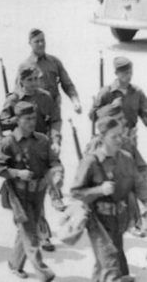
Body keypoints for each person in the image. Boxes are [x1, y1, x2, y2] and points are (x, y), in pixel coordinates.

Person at [0, 101, 62, 281]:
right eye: (27, 119)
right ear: (18, 120)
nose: (32, 122)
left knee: (26, 229)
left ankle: (14, 264)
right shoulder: (9, 142)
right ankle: (42, 271)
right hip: (18, 194)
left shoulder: (43, 140)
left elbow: (53, 162)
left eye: (33, 118)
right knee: (30, 232)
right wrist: (17, 173)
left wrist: (57, 173)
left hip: (38, 193)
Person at [72, 117, 147, 282]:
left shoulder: (126, 158)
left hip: (119, 219)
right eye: (114, 136)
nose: (119, 140)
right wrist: (99, 190)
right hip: (98, 221)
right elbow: (76, 192)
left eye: (121, 135)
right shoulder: (91, 161)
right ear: (102, 137)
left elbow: (139, 184)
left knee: (107, 263)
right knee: (110, 264)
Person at [1, 65, 63, 251]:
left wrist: (56, 140)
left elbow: (55, 120)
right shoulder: (13, 100)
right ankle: (30, 232)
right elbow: (3, 123)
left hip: (41, 147)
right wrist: (17, 120)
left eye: (36, 79)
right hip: (21, 151)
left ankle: (42, 235)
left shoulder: (45, 97)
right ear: (21, 81)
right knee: (25, 196)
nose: (34, 83)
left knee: (39, 193)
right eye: (30, 80)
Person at [92, 56, 147, 237]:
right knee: (127, 181)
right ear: (116, 73)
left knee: (142, 174)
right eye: (124, 72)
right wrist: (109, 107)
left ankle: (138, 215)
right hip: (113, 142)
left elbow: (144, 113)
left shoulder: (137, 92)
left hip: (130, 140)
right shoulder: (107, 92)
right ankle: (133, 222)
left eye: (130, 72)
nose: (128, 76)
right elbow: (93, 115)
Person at [19, 29, 82, 115]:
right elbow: (18, 91)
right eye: (37, 41)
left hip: (54, 111)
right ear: (30, 43)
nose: (41, 44)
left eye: (42, 40)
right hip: (35, 114)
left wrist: (75, 102)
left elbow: (67, 85)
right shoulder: (24, 65)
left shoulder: (54, 61)